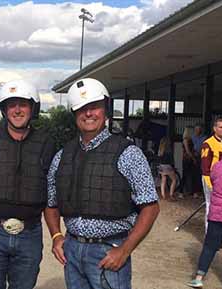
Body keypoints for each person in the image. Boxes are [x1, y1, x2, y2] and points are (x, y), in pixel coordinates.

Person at [44, 78, 159, 289]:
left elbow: (150, 207)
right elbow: (51, 203)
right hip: (72, 250)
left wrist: (124, 250)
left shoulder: (128, 153)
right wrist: (56, 236)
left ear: (105, 111)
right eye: (81, 109)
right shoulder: (62, 156)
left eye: (94, 107)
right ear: (74, 114)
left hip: (108, 251)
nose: (88, 114)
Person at [0, 79, 56, 289]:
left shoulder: (47, 144)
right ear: (4, 110)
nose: (17, 110)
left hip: (30, 233)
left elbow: (52, 190)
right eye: (11, 105)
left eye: (23, 104)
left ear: (33, 108)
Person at [186, 155, 222, 288]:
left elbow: (213, 182)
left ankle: (198, 278)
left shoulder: (217, 166)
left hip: (217, 213)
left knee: (209, 246)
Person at [201, 117, 222, 232]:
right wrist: (210, 184)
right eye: (220, 127)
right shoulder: (208, 144)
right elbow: (205, 168)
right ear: (215, 128)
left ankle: (219, 234)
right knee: (211, 206)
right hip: (212, 180)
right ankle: (209, 234)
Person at [158, 136, 177, 200]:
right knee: (174, 180)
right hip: (168, 166)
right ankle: (171, 194)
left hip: (161, 166)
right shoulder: (169, 151)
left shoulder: (160, 150)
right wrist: (174, 167)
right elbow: (171, 161)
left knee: (163, 181)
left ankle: (163, 195)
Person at [182, 126, 200, 198]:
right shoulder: (186, 140)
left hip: (187, 159)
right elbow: (188, 151)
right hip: (188, 159)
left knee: (190, 176)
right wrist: (193, 158)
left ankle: (192, 192)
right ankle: (190, 192)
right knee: (189, 175)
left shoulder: (188, 139)